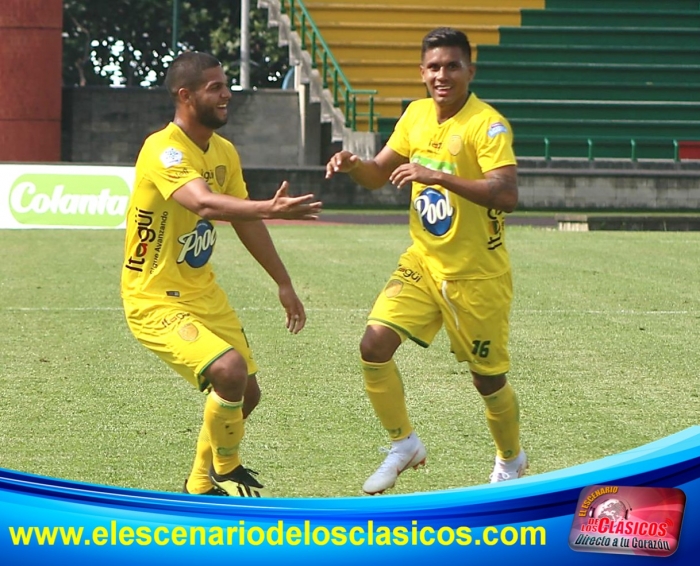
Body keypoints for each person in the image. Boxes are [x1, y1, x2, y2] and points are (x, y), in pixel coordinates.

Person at [325, 27, 526, 495]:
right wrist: (357, 166)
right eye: (433, 67)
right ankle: (404, 444)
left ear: (469, 71)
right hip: (423, 262)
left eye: (452, 66)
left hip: (476, 276)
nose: (442, 75)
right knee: (373, 345)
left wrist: (439, 175)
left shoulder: (487, 125)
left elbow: (508, 194)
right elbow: (380, 174)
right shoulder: (415, 116)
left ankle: (511, 459)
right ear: (421, 72)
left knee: (488, 379)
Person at [121, 51, 321, 497]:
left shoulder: (225, 151)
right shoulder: (164, 148)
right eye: (215, 87)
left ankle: (198, 484)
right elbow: (204, 204)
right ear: (185, 96)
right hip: (153, 297)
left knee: (247, 395)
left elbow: (245, 221)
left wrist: (283, 282)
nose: (227, 93)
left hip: (202, 292)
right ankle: (226, 471)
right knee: (228, 371)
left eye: (225, 84)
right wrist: (271, 206)